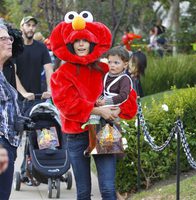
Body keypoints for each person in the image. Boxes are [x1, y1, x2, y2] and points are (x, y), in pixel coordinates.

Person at [50, 11, 137, 200]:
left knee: (107, 188)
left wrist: (118, 109)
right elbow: (66, 103)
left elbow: (129, 95)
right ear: (71, 44)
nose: (81, 44)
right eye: (77, 41)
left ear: (92, 43)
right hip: (76, 134)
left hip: (105, 129)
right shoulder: (62, 73)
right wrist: (98, 109)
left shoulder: (106, 69)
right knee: (83, 192)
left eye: (85, 40)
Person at [15, 16, 53, 182]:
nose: (31, 28)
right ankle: (17, 168)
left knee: (41, 135)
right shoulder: (16, 48)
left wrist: (50, 90)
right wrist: (23, 92)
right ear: (21, 26)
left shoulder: (41, 48)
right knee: (15, 139)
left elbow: (49, 70)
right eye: (27, 25)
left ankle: (37, 169)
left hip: (38, 99)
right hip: (19, 100)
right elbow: (13, 73)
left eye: (33, 26)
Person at [0, 20, 23, 200]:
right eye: (3, 39)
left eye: (9, 38)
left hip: (9, 143)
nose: (9, 41)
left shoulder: (4, 70)